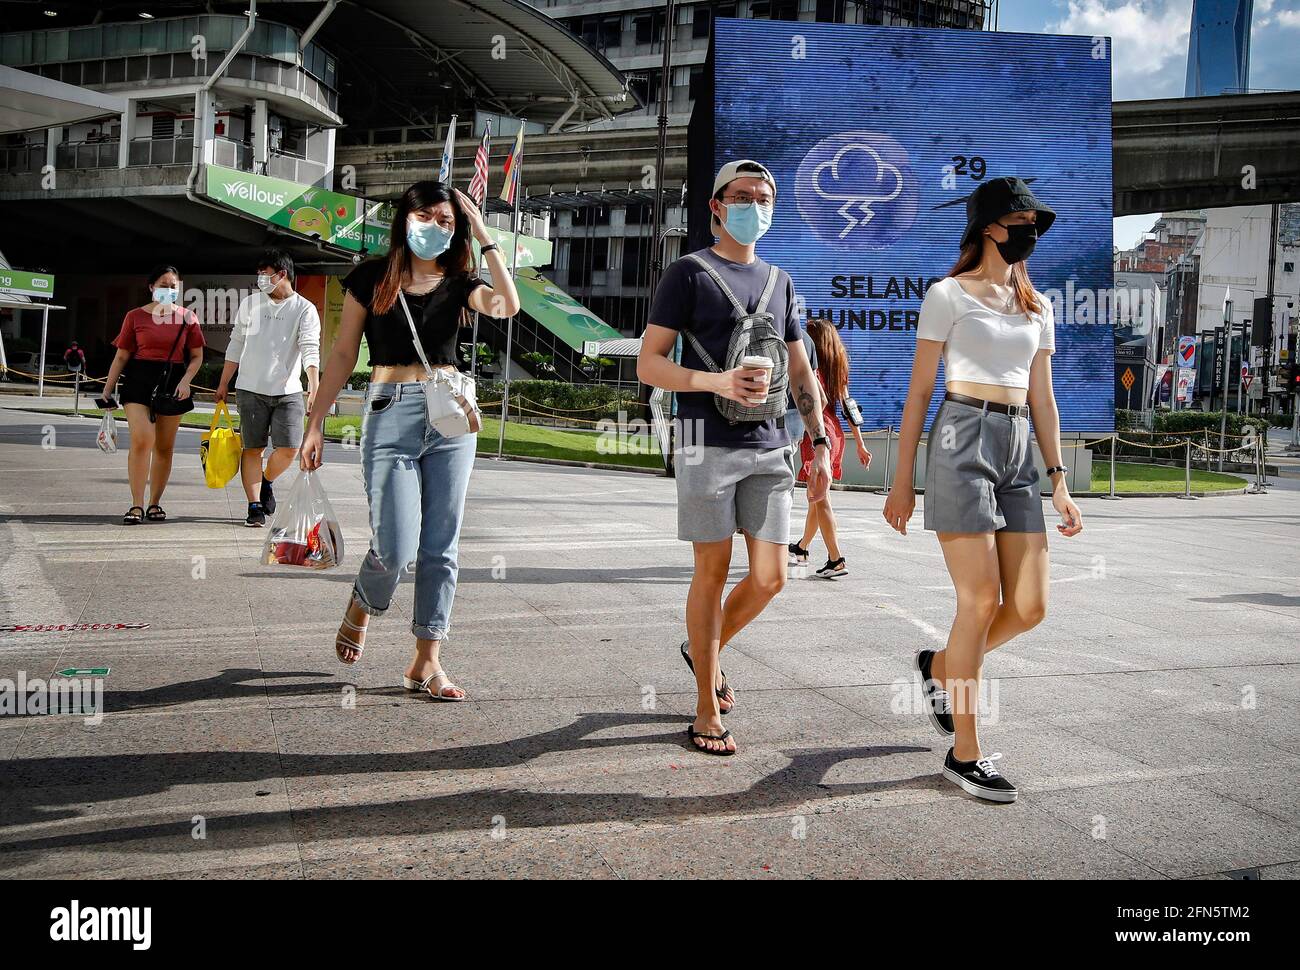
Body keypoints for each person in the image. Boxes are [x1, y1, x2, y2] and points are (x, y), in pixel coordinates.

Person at [882, 176, 1083, 803]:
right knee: (978, 601)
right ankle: (964, 754)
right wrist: (901, 478)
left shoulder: (1037, 305)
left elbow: (1045, 397)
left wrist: (1060, 480)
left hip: (1021, 443)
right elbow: (918, 392)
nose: (1031, 231)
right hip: (960, 438)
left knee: (1028, 606)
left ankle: (939, 668)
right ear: (991, 226)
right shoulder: (946, 295)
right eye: (1022, 219)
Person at [638, 159, 831, 757]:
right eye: (743, 196)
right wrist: (717, 383)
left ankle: (704, 650)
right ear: (717, 207)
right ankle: (703, 706)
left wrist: (818, 440)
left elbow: (801, 366)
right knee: (712, 572)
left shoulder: (781, 280)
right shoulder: (687, 274)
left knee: (772, 577)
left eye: (765, 198)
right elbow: (649, 365)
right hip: (705, 442)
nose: (756, 207)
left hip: (770, 445)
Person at [300, 181, 519, 702]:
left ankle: (426, 660)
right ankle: (362, 602)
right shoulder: (370, 278)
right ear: (405, 218)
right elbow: (341, 355)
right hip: (388, 412)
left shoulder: (461, 282)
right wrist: (315, 423)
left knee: (441, 546)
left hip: (449, 422)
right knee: (394, 547)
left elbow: (508, 305)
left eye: (447, 222)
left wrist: (484, 232)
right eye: (428, 216)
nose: (437, 227)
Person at [215, 249, 321, 527]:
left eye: (265, 274)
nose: (260, 279)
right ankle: (254, 506)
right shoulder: (250, 304)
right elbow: (235, 343)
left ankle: (266, 481)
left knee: (289, 449)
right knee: (253, 448)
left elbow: (310, 348)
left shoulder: (304, 309)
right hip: (250, 388)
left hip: (288, 391)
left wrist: (314, 386)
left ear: (282, 274)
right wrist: (224, 382)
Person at [102, 265, 205, 525]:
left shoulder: (188, 318)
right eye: (163, 285)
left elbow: (196, 356)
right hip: (139, 379)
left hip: (173, 381)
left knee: (164, 446)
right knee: (142, 440)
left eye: (173, 286)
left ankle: (154, 502)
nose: (169, 290)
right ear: (151, 287)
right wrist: (106, 389)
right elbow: (122, 355)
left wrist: (186, 381)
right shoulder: (134, 317)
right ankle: (136, 504)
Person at [788, 318, 872, 578]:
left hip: (817, 433)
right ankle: (802, 547)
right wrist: (860, 442)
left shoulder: (809, 366)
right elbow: (849, 407)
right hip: (836, 433)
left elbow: (819, 400)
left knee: (820, 498)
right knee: (816, 497)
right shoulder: (838, 368)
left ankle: (836, 559)